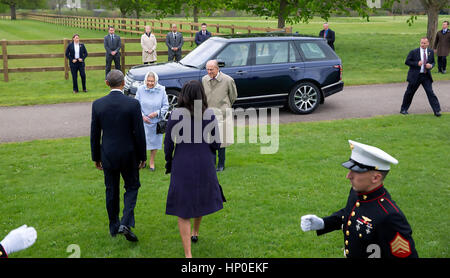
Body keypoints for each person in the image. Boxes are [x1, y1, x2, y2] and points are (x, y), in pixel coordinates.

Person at [301, 140, 418, 258]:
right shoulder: (357, 193)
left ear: (376, 178)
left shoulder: (389, 216)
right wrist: (323, 223)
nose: (348, 176)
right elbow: (350, 213)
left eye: (355, 171)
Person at [164, 80, 226, 258]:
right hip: (204, 162)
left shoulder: (175, 114)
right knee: (199, 198)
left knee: (183, 209)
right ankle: (195, 232)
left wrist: (169, 161)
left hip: (182, 163)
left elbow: (168, 144)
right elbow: (216, 143)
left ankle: (188, 254)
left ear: (183, 94)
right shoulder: (209, 114)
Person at [90, 70, 147, 242]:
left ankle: (114, 226)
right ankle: (126, 222)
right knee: (132, 186)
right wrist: (142, 156)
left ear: (107, 83)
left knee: (111, 190)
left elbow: (94, 134)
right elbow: (139, 132)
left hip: (108, 153)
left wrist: (96, 157)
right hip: (129, 154)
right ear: (123, 84)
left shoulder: (98, 104)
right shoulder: (132, 104)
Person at [202, 60, 237, 172]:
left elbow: (233, 96)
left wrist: (225, 107)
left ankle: (221, 164)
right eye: (207, 69)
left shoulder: (228, 80)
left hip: (223, 114)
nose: (209, 72)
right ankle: (212, 163)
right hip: (208, 114)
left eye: (211, 69)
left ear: (217, 69)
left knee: (221, 141)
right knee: (209, 140)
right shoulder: (204, 79)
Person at [135, 71, 169, 171]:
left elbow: (166, 106)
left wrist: (157, 113)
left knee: (154, 142)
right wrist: (142, 116)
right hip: (143, 121)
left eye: (152, 81)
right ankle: (143, 160)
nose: (150, 83)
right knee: (143, 142)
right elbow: (136, 105)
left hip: (156, 122)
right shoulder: (140, 89)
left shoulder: (162, 89)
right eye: (148, 81)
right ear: (145, 80)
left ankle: (152, 161)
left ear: (156, 81)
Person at [400, 37, 441, 117]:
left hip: (426, 76)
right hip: (415, 76)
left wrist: (431, 66)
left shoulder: (430, 52)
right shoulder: (414, 52)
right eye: (421, 43)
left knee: (430, 93)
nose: (423, 44)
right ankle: (403, 109)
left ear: (428, 43)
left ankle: (437, 111)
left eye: (424, 43)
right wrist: (416, 63)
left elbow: (433, 62)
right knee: (409, 93)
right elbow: (407, 62)